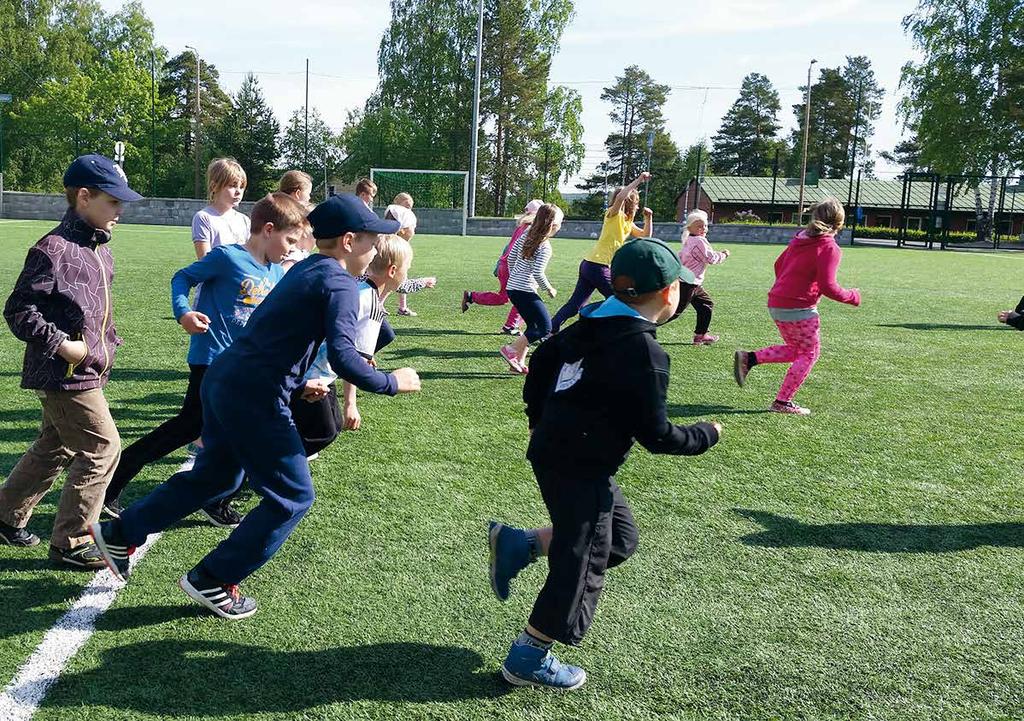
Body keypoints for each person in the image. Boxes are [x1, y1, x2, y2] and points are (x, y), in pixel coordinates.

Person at [91, 194, 421, 620]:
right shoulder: (337, 282)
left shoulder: (305, 268)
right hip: (254, 397)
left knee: (216, 475)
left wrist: (298, 379)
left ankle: (122, 533)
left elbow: (279, 333)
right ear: (348, 240)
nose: (376, 250)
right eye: (373, 242)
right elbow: (343, 355)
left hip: (224, 380)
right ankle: (213, 576)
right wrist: (392, 382)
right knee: (293, 497)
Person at [489, 237, 722, 689]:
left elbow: (541, 364)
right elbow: (657, 436)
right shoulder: (645, 353)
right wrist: (706, 435)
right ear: (672, 294)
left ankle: (522, 545)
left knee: (618, 541)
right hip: (578, 463)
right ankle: (528, 656)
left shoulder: (586, 322)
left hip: (562, 455)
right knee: (584, 558)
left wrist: (537, 419)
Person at [101, 193, 308, 527]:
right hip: (211, 360)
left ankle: (215, 498)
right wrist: (184, 313)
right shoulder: (227, 258)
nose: (292, 249)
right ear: (268, 229)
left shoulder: (276, 274)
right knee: (189, 427)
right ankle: (116, 478)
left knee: (228, 434)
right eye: (290, 240)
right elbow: (181, 277)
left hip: (241, 370)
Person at [0, 154, 142, 568]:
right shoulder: (53, 249)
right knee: (102, 448)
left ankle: (6, 515)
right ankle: (72, 542)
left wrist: (108, 342)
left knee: (56, 443)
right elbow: (19, 309)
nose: (120, 211)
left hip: (89, 368)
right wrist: (62, 345)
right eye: (113, 202)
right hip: (64, 373)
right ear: (84, 196)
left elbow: (93, 311)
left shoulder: (99, 250)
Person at [733, 198, 861, 415]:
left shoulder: (799, 239)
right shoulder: (829, 247)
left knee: (797, 350)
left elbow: (778, 265)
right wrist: (853, 296)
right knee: (810, 353)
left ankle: (750, 358)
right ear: (839, 223)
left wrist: (787, 288)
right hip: (798, 308)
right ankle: (782, 402)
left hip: (777, 301)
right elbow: (829, 287)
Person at [550, 172, 653, 333]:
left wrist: (649, 218)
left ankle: (550, 329)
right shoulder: (613, 214)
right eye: (637, 203)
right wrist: (639, 179)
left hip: (591, 265)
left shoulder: (627, 221)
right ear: (630, 202)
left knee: (576, 305)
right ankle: (609, 331)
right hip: (598, 265)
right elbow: (620, 198)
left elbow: (645, 236)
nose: (638, 206)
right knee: (620, 300)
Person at [339, 235, 413, 431]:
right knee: (324, 430)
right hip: (314, 374)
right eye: (408, 269)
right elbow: (353, 360)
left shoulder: (358, 287)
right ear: (393, 271)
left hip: (303, 367)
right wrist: (350, 404)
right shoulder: (372, 305)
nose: (407, 274)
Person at [499, 204, 563, 374]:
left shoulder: (526, 234)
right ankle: (510, 350)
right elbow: (538, 272)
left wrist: (515, 277)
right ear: (553, 225)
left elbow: (511, 257)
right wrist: (549, 289)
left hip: (514, 288)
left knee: (532, 326)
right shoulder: (545, 246)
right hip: (524, 290)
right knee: (545, 327)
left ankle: (517, 363)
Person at [462, 199, 541, 335]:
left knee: (504, 297)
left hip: (504, 265)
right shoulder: (531, 228)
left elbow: (508, 247)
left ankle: (472, 296)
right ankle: (510, 326)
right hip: (512, 266)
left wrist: (499, 264)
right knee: (525, 295)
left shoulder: (521, 226)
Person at [677, 209, 730, 344]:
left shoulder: (689, 240)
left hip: (690, 282)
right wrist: (724, 255)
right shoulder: (699, 241)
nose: (703, 229)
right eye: (699, 226)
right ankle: (643, 328)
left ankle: (701, 335)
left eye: (705, 225)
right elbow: (710, 258)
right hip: (688, 283)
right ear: (690, 227)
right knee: (674, 312)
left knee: (706, 304)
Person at [384, 193, 434, 317]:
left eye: (410, 207)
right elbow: (401, 285)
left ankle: (402, 307)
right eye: (406, 205)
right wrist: (424, 282)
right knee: (393, 279)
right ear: (397, 202)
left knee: (398, 277)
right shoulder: (395, 214)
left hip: (399, 250)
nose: (408, 209)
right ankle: (379, 303)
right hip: (396, 251)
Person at [192, 158, 249, 260]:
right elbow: (205, 261)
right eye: (232, 186)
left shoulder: (244, 220)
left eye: (241, 187)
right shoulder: (204, 218)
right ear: (214, 186)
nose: (238, 191)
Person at [277, 170, 316, 271]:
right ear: (298, 194)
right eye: (308, 193)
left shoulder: (274, 208)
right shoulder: (289, 215)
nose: (309, 197)